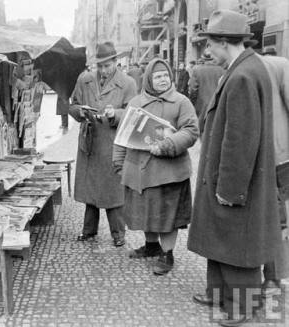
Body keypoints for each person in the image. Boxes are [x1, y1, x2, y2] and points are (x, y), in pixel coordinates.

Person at [187, 10, 281, 326]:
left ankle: (244, 306)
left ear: (225, 41)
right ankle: (218, 294)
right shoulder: (243, 67)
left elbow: (239, 141)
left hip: (236, 180)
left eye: (209, 44)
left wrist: (230, 188)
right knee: (222, 236)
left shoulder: (242, 75)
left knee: (239, 244)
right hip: (230, 175)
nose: (205, 51)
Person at [113, 58, 199, 275]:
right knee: (145, 212)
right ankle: (151, 246)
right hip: (139, 171)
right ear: (149, 79)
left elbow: (190, 131)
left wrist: (168, 145)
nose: (162, 80)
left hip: (169, 173)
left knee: (167, 216)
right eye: (157, 76)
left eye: (165, 76)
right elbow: (122, 136)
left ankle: (167, 254)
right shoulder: (135, 103)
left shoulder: (182, 102)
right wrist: (118, 163)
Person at [69, 41, 137, 247]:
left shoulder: (128, 83)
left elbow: (133, 114)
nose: (103, 70)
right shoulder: (85, 79)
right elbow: (72, 105)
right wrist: (79, 112)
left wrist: (114, 114)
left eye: (107, 66)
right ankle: (89, 230)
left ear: (116, 62)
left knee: (113, 191)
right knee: (91, 188)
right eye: (100, 66)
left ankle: (118, 233)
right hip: (90, 142)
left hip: (112, 143)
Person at [257, 46, 289, 297]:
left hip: (279, 157)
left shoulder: (278, 66)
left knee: (278, 218)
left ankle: (275, 277)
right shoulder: (230, 72)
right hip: (253, 157)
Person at [188, 52, 225, 123]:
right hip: (217, 105)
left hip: (201, 105)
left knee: (201, 129)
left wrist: (192, 103)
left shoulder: (197, 69)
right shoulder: (222, 69)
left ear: (203, 58)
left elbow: (193, 89)